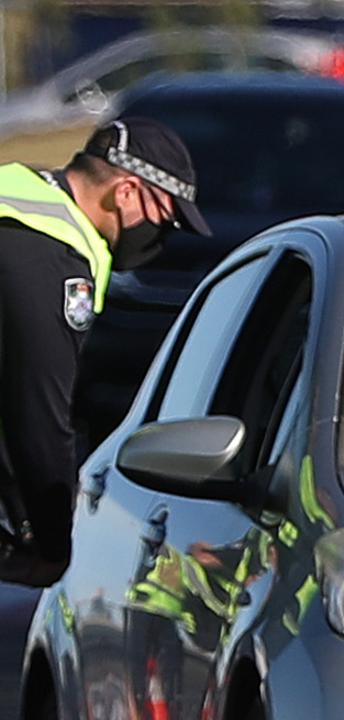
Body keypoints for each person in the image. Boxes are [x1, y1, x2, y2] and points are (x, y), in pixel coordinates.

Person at [0, 118, 211, 587]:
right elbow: (37, 413)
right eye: (165, 217)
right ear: (127, 191)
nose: (163, 235)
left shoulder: (18, 190)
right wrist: (53, 544)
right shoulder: (51, 252)